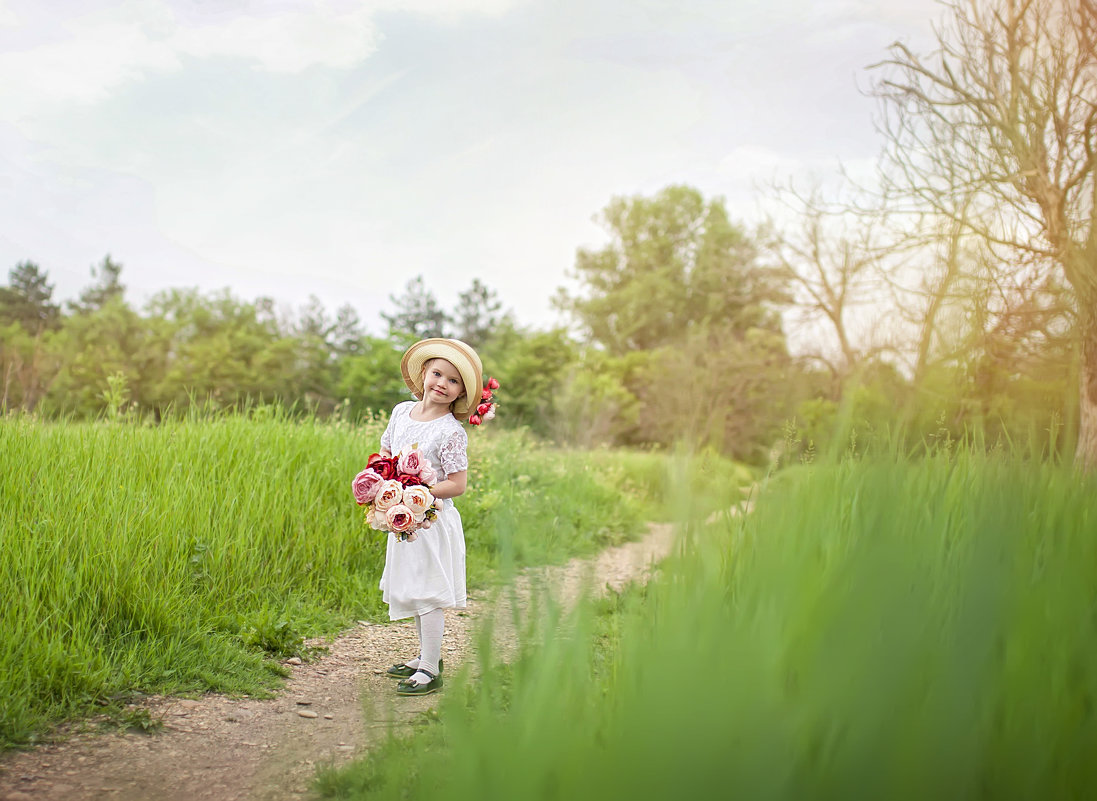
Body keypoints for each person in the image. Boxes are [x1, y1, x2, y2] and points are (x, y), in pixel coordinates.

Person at [376, 337, 484, 696]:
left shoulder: (450, 431)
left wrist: (417, 493)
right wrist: (383, 485)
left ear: (460, 393)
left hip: (431, 518)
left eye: (453, 381)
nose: (442, 384)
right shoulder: (400, 412)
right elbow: (386, 452)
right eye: (438, 373)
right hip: (404, 517)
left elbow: (457, 484)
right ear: (424, 373)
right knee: (412, 586)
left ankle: (430, 670)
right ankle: (426, 656)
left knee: (429, 593)